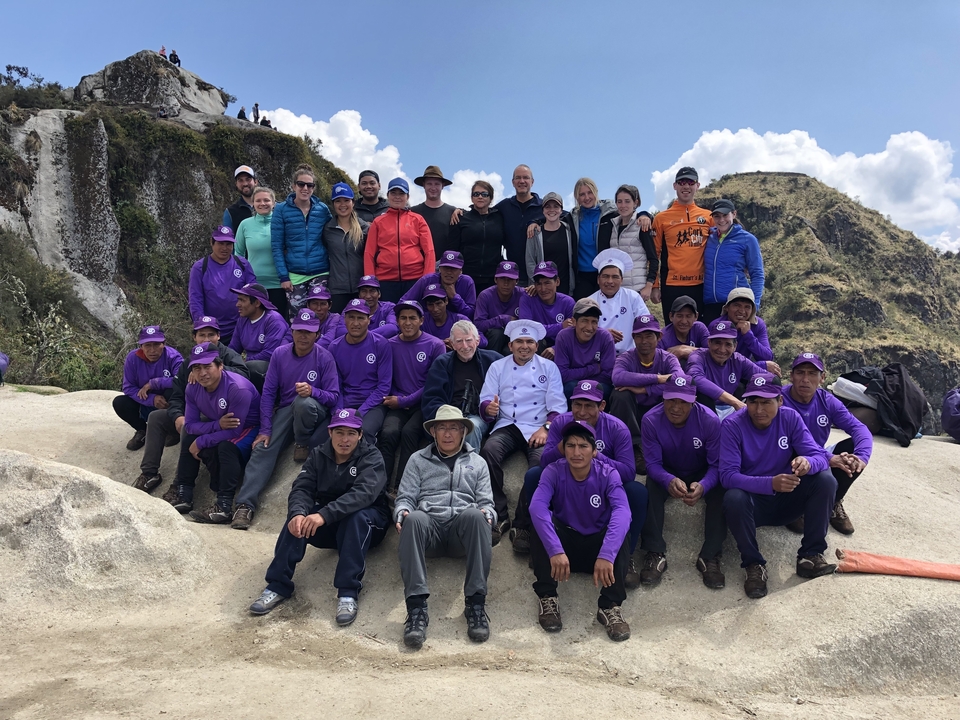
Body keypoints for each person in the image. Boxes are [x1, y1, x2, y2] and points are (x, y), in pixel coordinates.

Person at [249, 408, 389, 626]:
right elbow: (302, 488)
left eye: (351, 433)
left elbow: (364, 494)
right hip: (331, 524)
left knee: (357, 518)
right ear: (330, 432)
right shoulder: (318, 454)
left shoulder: (372, 457)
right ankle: (277, 585)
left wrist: (323, 514)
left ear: (360, 435)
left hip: (367, 525)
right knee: (298, 519)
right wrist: (298, 512)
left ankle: (348, 592)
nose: (345, 439)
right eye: (339, 432)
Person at [516, 381, 645, 588]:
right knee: (534, 475)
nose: (582, 412)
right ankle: (533, 535)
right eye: (577, 405)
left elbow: (629, 472)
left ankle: (625, 556)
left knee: (636, 491)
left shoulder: (617, 428)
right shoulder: (561, 423)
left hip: (604, 482)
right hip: (566, 477)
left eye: (589, 406)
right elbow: (545, 462)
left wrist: (594, 457)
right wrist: (564, 447)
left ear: (602, 406)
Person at [721, 372, 838, 599]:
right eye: (753, 401)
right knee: (733, 497)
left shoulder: (790, 418)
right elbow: (727, 476)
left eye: (766, 402)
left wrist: (807, 463)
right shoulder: (733, 425)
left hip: (787, 499)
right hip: (753, 504)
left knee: (825, 480)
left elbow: (819, 456)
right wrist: (770, 483)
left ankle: (810, 555)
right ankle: (754, 565)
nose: (759, 409)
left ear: (780, 401)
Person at [395, 405, 496, 648]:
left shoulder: (478, 462)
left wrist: (488, 514)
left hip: (462, 532)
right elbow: (405, 497)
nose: (448, 433)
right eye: (442, 428)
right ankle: (416, 609)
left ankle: (475, 604)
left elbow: (487, 502)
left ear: (463, 432)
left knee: (477, 515)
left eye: (454, 428)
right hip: (429, 529)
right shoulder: (417, 460)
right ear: (433, 432)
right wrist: (402, 511)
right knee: (413, 518)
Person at [231, 309, 340, 529]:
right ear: (292, 331)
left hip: (313, 410)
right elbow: (268, 393)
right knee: (263, 447)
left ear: (317, 334)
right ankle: (245, 505)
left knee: (304, 403)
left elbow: (334, 396)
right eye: (299, 330)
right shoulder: (280, 354)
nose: (303, 336)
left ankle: (302, 441)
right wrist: (265, 428)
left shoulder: (325, 356)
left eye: (308, 332)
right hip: (286, 409)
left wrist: (313, 391)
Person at [529, 421, 632, 641]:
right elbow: (537, 507)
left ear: (594, 451)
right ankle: (547, 597)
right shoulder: (553, 471)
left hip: (597, 551)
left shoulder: (608, 474)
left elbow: (623, 511)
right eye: (571, 445)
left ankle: (610, 606)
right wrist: (555, 550)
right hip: (564, 550)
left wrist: (607, 554)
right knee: (541, 523)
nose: (576, 452)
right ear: (563, 449)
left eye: (583, 446)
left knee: (621, 529)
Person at [478, 320, 566, 545]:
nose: (524, 346)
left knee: (540, 465)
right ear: (510, 345)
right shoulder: (498, 367)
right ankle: (499, 516)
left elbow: (558, 406)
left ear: (537, 346)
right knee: (488, 452)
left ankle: (522, 525)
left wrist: (547, 428)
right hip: (508, 424)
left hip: (538, 426)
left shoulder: (549, 368)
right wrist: (488, 408)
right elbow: (486, 398)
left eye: (529, 342)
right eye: (519, 341)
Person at [143, 317, 247, 496]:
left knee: (190, 427)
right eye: (201, 335)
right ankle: (149, 473)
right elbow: (177, 395)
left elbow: (245, 376)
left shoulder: (228, 355)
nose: (206, 339)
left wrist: (211, 371)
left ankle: (180, 485)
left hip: (216, 414)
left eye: (211, 335)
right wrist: (177, 415)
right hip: (192, 411)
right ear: (194, 337)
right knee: (156, 417)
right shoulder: (189, 363)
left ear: (218, 336)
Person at [639, 373, 726, 589]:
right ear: (663, 397)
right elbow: (652, 464)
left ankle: (710, 555)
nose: (676, 407)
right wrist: (667, 479)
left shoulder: (709, 420)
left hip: (701, 468)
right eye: (671, 400)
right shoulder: (651, 420)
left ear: (694, 400)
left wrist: (704, 484)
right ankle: (654, 551)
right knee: (651, 486)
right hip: (668, 468)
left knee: (722, 489)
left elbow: (717, 465)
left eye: (683, 401)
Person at [165, 343, 261, 522]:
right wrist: (217, 425)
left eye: (207, 366)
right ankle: (183, 493)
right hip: (220, 424)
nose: (202, 373)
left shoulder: (237, 388)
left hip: (248, 427)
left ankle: (224, 506)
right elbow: (190, 425)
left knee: (226, 446)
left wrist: (201, 442)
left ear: (220, 365)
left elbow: (234, 431)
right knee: (189, 438)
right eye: (196, 368)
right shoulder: (192, 388)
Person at [781, 353, 873, 535]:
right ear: (791, 376)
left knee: (852, 453)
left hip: (818, 457)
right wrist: (829, 458)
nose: (805, 379)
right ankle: (793, 506)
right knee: (789, 453)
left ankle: (834, 502)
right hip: (788, 456)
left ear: (822, 378)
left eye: (812, 373)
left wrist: (862, 457)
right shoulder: (780, 399)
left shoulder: (827, 401)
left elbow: (859, 429)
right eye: (800, 372)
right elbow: (793, 442)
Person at [379, 300, 446, 491]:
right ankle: (380, 489)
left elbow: (433, 383)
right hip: (396, 403)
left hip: (423, 404)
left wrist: (404, 401)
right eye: (403, 318)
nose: (407, 322)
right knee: (388, 433)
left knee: (410, 433)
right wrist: (396, 398)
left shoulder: (435, 345)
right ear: (397, 321)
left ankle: (401, 488)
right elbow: (386, 378)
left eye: (412, 318)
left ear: (421, 320)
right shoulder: (389, 345)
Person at [607, 315, 682, 473]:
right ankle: (633, 446)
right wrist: (657, 378)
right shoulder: (626, 357)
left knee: (677, 392)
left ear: (659, 337)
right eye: (639, 336)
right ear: (633, 338)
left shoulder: (668, 358)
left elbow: (680, 380)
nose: (644, 341)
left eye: (649, 336)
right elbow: (617, 377)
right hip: (634, 412)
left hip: (659, 409)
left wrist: (645, 389)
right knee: (620, 395)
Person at [311, 299, 392, 445]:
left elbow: (383, 387)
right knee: (317, 440)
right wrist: (339, 412)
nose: (355, 323)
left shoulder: (381, 344)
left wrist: (360, 412)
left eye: (360, 318)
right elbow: (336, 385)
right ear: (345, 319)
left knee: (363, 433)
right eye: (351, 317)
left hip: (373, 404)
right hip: (345, 402)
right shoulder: (334, 347)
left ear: (369, 320)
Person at [422, 320, 501, 451]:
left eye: (469, 340)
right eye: (459, 341)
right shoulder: (441, 364)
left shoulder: (494, 360)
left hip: (479, 416)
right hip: (448, 416)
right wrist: (450, 417)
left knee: (471, 427)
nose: (465, 346)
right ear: (452, 344)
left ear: (477, 340)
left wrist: (493, 408)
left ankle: (470, 464)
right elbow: (431, 399)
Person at [651, 167, 713, 319]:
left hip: (701, 285)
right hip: (672, 285)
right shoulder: (661, 218)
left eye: (690, 182)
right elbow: (653, 254)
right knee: (673, 329)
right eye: (682, 182)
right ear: (675, 186)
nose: (686, 186)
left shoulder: (709, 217)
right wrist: (654, 285)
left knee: (700, 330)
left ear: (697, 185)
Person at [271, 164, 333, 315]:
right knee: (298, 318)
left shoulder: (322, 209)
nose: (305, 188)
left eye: (309, 185)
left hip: (320, 272)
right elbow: (276, 246)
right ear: (293, 186)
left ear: (314, 188)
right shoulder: (281, 209)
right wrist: (283, 276)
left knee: (320, 315)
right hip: (294, 274)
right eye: (301, 184)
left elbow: (332, 233)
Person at [364, 177, 435, 302]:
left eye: (401, 193)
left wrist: (427, 280)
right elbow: (369, 253)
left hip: (415, 280)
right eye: (393, 193)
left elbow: (429, 251)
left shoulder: (418, 220)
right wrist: (370, 282)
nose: (397, 197)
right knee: (388, 314)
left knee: (413, 314)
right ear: (387, 196)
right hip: (385, 281)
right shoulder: (378, 222)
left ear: (407, 197)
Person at [113, 326, 183, 451]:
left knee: (173, 392)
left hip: (167, 402)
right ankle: (143, 431)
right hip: (145, 401)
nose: (152, 350)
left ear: (164, 344)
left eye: (156, 344)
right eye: (147, 345)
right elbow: (128, 387)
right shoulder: (132, 358)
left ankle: (172, 430)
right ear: (141, 346)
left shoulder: (173, 357)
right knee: (120, 403)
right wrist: (152, 399)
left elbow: (182, 380)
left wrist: (154, 383)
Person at [188, 224, 257, 344]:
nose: (224, 248)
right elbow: (195, 299)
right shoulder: (200, 267)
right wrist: (203, 326)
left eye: (228, 244)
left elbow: (254, 293)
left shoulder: (242, 264)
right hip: (212, 330)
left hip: (239, 327)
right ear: (211, 242)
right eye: (220, 243)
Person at [687, 318, 767, 419]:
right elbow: (695, 378)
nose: (722, 350)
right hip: (703, 412)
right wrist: (734, 402)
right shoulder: (698, 356)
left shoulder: (738, 360)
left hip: (730, 410)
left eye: (728, 344)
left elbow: (766, 378)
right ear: (709, 343)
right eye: (717, 343)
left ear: (735, 346)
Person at [701, 199, 765, 324]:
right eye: (717, 216)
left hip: (736, 306)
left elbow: (757, 274)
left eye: (725, 215)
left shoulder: (748, 239)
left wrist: (754, 306)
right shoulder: (709, 237)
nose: (721, 220)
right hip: (710, 305)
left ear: (734, 214)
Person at [235, 185, 288, 319]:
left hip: (280, 284)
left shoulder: (283, 224)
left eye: (266, 200)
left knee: (278, 323)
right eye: (258, 200)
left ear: (274, 203)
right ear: (253, 203)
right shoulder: (245, 224)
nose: (262, 203)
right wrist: (243, 279)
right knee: (255, 323)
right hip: (254, 285)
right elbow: (238, 253)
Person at [597, 184, 658, 300]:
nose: (623, 205)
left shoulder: (642, 226)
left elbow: (653, 259)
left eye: (627, 201)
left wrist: (649, 286)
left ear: (635, 203)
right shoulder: (612, 226)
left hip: (637, 290)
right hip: (616, 290)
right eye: (619, 201)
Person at [228, 282, 292, 391]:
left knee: (252, 367)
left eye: (242, 300)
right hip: (248, 364)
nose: (237, 304)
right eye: (238, 300)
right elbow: (233, 348)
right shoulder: (242, 320)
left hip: (271, 367)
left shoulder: (274, 320)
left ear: (257, 303)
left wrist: (242, 363)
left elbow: (270, 354)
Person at [446, 180, 506, 293]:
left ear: (491, 198)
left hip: (493, 277)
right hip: (466, 276)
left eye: (484, 194)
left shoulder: (500, 218)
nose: (480, 197)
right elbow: (452, 249)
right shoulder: (460, 218)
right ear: (471, 198)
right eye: (476, 194)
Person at [589, 248, 650, 354]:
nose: (610, 281)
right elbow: (582, 331)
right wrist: (603, 334)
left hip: (629, 354)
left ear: (622, 280)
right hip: (598, 354)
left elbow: (646, 324)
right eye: (605, 276)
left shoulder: (633, 297)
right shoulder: (589, 301)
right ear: (598, 279)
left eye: (615, 277)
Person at [553, 298, 616, 398]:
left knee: (608, 390)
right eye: (584, 321)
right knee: (569, 387)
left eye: (594, 322)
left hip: (598, 384)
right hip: (573, 385)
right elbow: (562, 374)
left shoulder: (605, 337)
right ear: (574, 321)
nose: (589, 327)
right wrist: (594, 368)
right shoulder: (564, 336)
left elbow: (609, 375)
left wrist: (586, 386)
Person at [568, 178, 617, 299]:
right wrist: (535, 222)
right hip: (582, 277)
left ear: (596, 192)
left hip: (605, 273)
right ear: (577, 198)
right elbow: (552, 216)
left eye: (590, 192)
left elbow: (630, 214)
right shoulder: (572, 218)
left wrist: (644, 215)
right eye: (582, 194)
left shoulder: (610, 214)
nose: (587, 197)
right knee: (584, 309)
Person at [324, 182, 369, 313]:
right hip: (337, 289)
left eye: (346, 200)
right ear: (333, 204)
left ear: (353, 202)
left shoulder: (365, 228)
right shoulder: (327, 229)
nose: (342, 204)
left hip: (361, 288)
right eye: (338, 201)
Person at [496, 165, 542, 284]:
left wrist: (538, 221)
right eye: (518, 178)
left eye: (526, 177)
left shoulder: (544, 207)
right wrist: (461, 211)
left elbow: (563, 216)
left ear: (532, 181)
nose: (522, 181)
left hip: (539, 277)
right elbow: (483, 214)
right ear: (513, 182)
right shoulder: (504, 207)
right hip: (511, 276)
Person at [518, 261, 575, 357]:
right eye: (539, 284)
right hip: (535, 347)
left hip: (561, 347)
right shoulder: (527, 299)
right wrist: (561, 326)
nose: (543, 289)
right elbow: (527, 329)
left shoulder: (568, 302)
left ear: (557, 282)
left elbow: (573, 334)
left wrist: (556, 348)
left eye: (547, 283)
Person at [401, 250, 477, 319]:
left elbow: (471, 315)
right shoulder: (427, 280)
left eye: (453, 269)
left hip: (457, 324)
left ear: (460, 271)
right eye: (445, 268)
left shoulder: (467, 282)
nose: (449, 272)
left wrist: (455, 297)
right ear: (440, 268)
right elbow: (403, 302)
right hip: (427, 323)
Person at [526, 192, 576, 296]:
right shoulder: (535, 233)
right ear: (543, 211)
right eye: (547, 207)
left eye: (556, 206)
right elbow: (530, 261)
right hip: (543, 290)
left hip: (566, 288)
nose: (552, 210)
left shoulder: (570, 230)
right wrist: (538, 283)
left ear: (561, 210)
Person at [719, 288, 777, 368]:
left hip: (745, 370)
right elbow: (718, 362)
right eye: (737, 305)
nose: (742, 311)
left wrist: (748, 335)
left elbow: (767, 357)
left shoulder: (757, 325)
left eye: (747, 307)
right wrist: (761, 365)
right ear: (727, 308)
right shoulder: (718, 326)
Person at [473, 260, 522, 354]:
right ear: (495, 279)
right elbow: (478, 325)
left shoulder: (523, 295)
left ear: (517, 281)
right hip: (493, 338)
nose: (506, 283)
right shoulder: (485, 295)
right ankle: (490, 361)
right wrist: (502, 319)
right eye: (502, 279)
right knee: (497, 333)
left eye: (510, 279)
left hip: (516, 336)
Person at [410, 166, 458, 258]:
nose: (433, 187)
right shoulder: (413, 212)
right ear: (424, 185)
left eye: (437, 184)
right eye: (429, 184)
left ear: (442, 186)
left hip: (445, 264)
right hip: (419, 263)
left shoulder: (453, 212)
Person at [420, 284, 485, 348]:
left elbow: (483, 341)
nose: (435, 309)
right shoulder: (421, 320)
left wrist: (457, 342)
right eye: (430, 304)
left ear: (446, 301)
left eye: (438, 303)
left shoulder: (460, 319)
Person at [658, 295, 709, 366]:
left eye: (688, 316)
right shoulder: (662, 336)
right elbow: (657, 361)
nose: (684, 321)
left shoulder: (699, 328)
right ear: (671, 316)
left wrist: (684, 350)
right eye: (679, 316)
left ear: (696, 316)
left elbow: (712, 352)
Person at [304, 285, 343, 349]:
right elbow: (288, 337)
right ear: (308, 305)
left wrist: (307, 351)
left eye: (323, 304)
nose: (319, 308)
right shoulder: (303, 318)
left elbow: (328, 339)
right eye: (314, 303)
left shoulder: (335, 318)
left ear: (330, 305)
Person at [224, 165, 258, 231]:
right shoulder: (230, 212)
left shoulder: (270, 206)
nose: (245, 184)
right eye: (240, 180)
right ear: (236, 184)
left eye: (248, 179)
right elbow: (227, 236)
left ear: (255, 182)